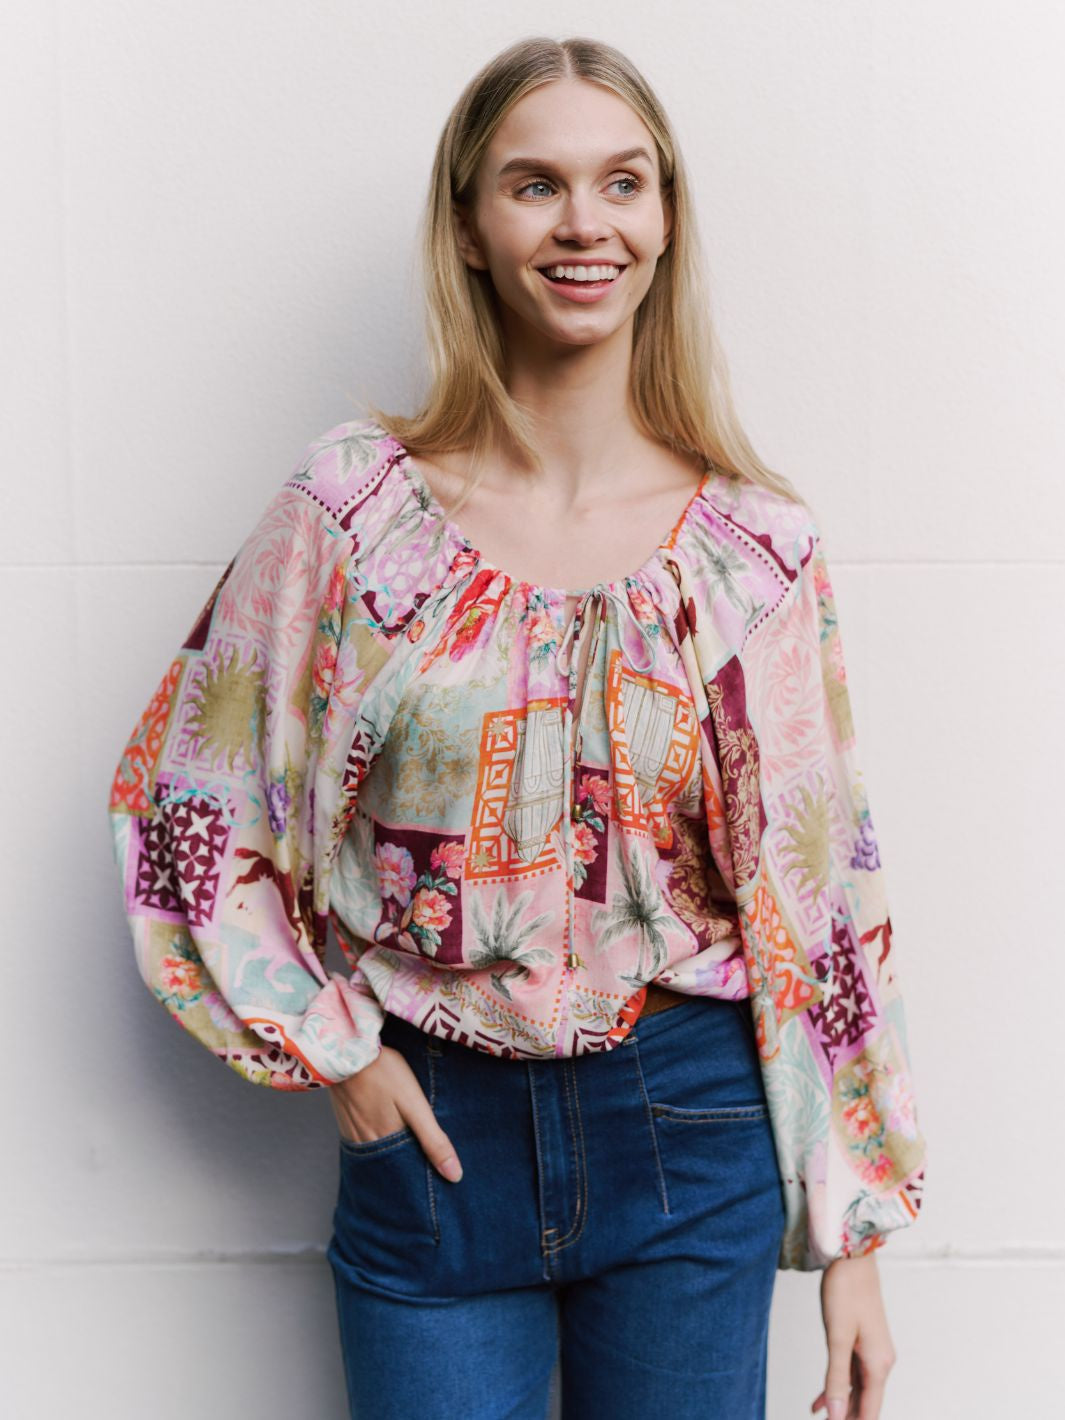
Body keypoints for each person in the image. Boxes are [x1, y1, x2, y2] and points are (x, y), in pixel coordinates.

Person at [106, 34, 926, 1420]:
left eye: (623, 183)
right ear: (469, 229)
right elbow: (190, 797)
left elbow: (819, 895)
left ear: (665, 223)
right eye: (535, 185)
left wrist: (854, 1239)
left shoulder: (754, 553)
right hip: (434, 1138)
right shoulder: (353, 514)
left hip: (688, 1129)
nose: (584, 223)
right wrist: (339, 1056)